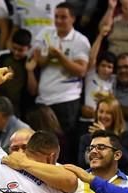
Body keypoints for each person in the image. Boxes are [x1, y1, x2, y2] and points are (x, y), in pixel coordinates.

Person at [33, 2, 90, 164]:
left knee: (64, 146)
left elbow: (81, 70)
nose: (58, 21)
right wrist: (47, 57)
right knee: (42, 145)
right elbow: (39, 61)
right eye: (56, 17)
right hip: (44, 98)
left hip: (67, 99)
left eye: (63, 17)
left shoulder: (80, 40)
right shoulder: (46, 34)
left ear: (73, 18)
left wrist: (59, 55)